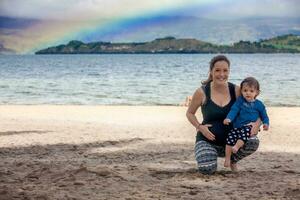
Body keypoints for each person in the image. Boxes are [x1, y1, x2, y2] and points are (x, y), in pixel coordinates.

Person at [186, 55, 261, 174]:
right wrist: (199, 127)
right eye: (217, 70)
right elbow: (190, 113)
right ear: (211, 72)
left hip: (232, 143)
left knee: (253, 140)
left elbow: (256, 109)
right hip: (207, 141)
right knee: (207, 170)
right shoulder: (202, 92)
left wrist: (257, 124)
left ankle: (232, 160)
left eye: (225, 70)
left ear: (229, 71)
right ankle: (210, 155)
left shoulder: (236, 90)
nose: (222, 74)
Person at [223, 77, 269, 168]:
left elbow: (264, 116)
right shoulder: (240, 101)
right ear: (241, 91)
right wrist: (228, 118)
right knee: (230, 138)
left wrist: (266, 124)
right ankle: (227, 158)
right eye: (245, 90)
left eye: (251, 91)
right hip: (237, 126)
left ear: (257, 93)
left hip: (249, 127)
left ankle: (236, 147)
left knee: (245, 132)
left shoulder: (259, 104)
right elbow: (234, 110)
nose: (248, 93)